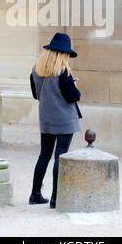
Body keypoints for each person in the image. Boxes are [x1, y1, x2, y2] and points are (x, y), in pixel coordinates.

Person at [29, 33, 82, 209]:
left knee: (44, 155)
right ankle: (56, 198)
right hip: (65, 119)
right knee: (60, 156)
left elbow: (36, 94)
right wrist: (75, 87)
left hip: (46, 118)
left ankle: (35, 194)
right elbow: (72, 97)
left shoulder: (36, 70)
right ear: (64, 54)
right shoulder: (63, 71)